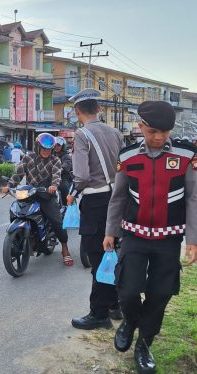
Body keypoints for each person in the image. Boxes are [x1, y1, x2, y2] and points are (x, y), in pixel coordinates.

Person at [104, 101, 197, 374]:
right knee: (127, 290)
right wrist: (110, 231)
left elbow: (195, 198)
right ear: (140, 128)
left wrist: (194, 239)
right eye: (152, 131)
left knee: (160, 294)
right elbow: (118, 197)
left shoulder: (186, 155)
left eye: (164, 131)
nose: (159, 137)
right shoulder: (127, 157)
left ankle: (144, 345)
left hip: (168, 238)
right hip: (134, 235)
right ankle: (129, 321)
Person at [68, 88, 125, 331]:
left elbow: (80, 176)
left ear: (77, 112)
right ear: (99, 109)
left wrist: (73, 191)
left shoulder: (82, 135)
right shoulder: (116, 132)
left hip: (95, 201)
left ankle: (98, 313)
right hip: (117, 198)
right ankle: (114, 305)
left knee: (98, 257)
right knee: (112, 252)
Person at [3, 133, 74, 266]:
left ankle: (65, 248)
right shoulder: (28, 158)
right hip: (29, 193)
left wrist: (53, 186)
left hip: (46, 194)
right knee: (17, 210)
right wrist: (9, 186)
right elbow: (18, 174)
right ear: (38, 147)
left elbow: (57, 176)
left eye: (49, 149)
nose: (47, 152)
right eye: (44, 149)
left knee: (56, 220)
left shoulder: (55, 160)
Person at [54, 136, 72, 205]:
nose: (56, 147)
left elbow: (66, 166)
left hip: (62, 178)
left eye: (58, 145)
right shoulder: (51, 155)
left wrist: (60, 169)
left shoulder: (66, 156)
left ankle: (66, 205)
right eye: (55, 145)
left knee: (63, 187)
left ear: (63, 146)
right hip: (51, 177)